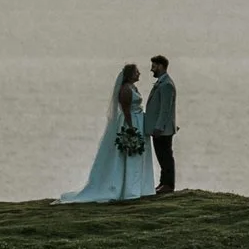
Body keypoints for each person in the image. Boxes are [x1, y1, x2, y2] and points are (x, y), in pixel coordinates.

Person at [59, 62, 153, 203]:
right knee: (129, 155)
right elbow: (126, 110)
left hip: (138, 120)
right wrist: (131, 128)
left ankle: (137, 187)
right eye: (136, 72)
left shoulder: (133, 87)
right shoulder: (126, 90)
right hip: (131, 122)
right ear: (130, 74)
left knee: (137, 155)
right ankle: (128, 189)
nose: (139, 74)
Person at [144, 55, 178, 194]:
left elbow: (165, 109)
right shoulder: (161, 82)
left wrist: (159, 127)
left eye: (154, 66)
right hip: (159, 128)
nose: (152, 69)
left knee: (166, 157)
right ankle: (163, 182)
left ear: (161, 66)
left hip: (162, 130)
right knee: (162, 157)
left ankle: (168, 184)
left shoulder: (166, 85)